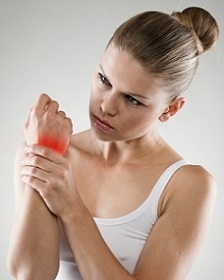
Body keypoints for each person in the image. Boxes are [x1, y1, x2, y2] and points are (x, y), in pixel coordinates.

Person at [7, 6, 219, 280]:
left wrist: (71, 207)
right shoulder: (44, 149)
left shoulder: (188, 185)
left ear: (171, 109)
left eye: (132, 99)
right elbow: (31, 274)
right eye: (104, 80)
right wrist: (43, 153)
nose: (106, 106)